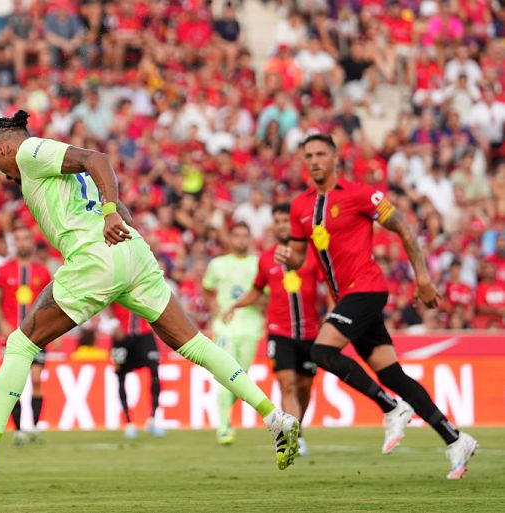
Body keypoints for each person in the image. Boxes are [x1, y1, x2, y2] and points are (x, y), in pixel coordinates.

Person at [0, 110, 300, 475]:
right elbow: (107, 185)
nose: (3, 175)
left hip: (97, 255)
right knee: (195, 344)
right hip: (131, 251)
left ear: (2, 149)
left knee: (21, 344)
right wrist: (114, 211)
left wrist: (109, 212)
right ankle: (274, 417)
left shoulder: (28, 152)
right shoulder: (56, 171)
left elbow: (97, 158)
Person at [275, 133, 478, 480]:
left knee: (322, 351)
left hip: (366, 288)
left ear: (335, 157)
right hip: (347, 299)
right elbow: (297, 256)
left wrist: (423, 278)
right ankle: (455, 439)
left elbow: (404, 227)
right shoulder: (299, 207)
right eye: (308, 154)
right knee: (391, 373)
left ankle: (391, 407)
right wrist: (288, 259)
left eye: (321, 153)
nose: (314, 160)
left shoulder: (360, 194)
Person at [222, 204, 322, 456]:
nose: (281, 225)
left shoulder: (312, 254)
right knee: (287, 384)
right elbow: (257, 289)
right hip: (279, 331)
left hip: (310, 332)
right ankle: (294, 437)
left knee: (304, 386)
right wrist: (236, 304)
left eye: (285, 220)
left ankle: (299, 428)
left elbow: (328, 286)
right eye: (276, 220)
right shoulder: (266, 258)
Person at [0, 224, 51, 445]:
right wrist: (1, 322)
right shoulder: (2, 270)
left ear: (31, 243)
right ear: (14, 243)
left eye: (26, 238)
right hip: (11, 335)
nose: (23, 243)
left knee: (35, 379)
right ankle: (18, 429)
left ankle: (34, 426)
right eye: (19, 239)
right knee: (14, 382)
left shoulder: (43, 271)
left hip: (39, 335)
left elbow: (51, 302)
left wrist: (56, 332)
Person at [202, 222, 263, 445]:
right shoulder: (218, 264)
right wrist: (213, 307)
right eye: (236, 235)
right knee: (227, 375)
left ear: (250, 238)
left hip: (251, 326)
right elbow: (207, 288)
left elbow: (264, 292)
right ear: (230, 238)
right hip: (224, 327)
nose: (240, 240)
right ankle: (223, 426)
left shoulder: (258, 263)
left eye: (244, 236)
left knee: (241, 379)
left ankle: (225, 418)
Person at [110, 303, 164, 439]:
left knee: (155, 370)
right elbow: (104, 300)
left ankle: (152, 419)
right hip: (122, 334)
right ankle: (129, 423)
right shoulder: (114, 282)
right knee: (120, 376)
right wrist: (113, 323)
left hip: (145, 334)